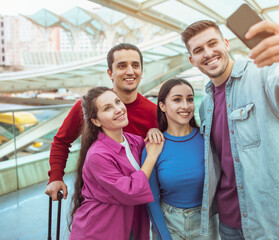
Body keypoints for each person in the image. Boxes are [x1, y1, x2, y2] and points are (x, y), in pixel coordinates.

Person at [180, 19, 279, 240]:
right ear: (192, 60)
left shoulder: (261, 75)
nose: (208, 53)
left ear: (226, 43)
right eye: (198, 50)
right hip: (227, 223)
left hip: (270, 223)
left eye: (213, 43)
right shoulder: (206, 105)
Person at [45, 43, 163, 200]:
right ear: (110, 73)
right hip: (99, 198)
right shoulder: (87, 107)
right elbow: (61, 141)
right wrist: (56, 177)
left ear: (141, 72)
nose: (130, 71)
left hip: (138, 200)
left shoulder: (154, 112)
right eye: (122, 66)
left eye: (135, 65)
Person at [69, 87, 164, 240]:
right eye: (107, 108)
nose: (118, 109)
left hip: (131, 226)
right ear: (96, 121)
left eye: (117, 102)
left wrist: (154, 131)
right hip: (101, 230)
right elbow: (130, 191)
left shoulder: (135, 141)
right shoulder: (97, 155)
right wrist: (151, 156)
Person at [141, 78, 219, 240]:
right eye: (177, 100)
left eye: (190, 99)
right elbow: (152, 200)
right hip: (169, 222)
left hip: (206, 223)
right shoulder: (154, 146)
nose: (185, 106)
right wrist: (164, 236)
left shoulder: (207, 140)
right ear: (162, 106)